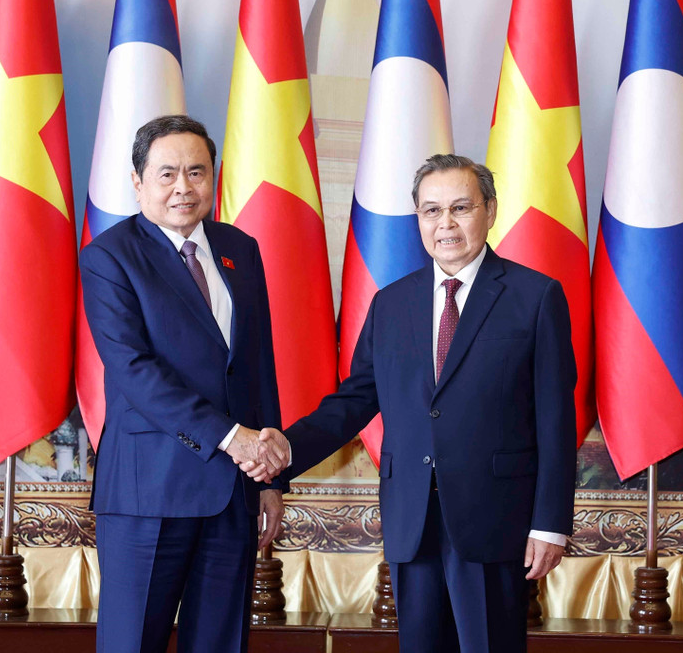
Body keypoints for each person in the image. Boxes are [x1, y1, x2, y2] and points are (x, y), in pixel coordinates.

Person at [246, 154, 576, 652]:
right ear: (418, 218)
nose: (446, 224)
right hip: (411, 521)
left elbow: (556, 421)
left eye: (461, 208)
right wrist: (286, 450)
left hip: (494, 522)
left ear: (489, 210)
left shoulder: (535, 297)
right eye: (431, 210)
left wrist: (549, 523)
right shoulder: (391, 303)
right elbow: (355, 400)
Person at [80, 114, 289, 653]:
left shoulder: (238, 249)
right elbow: (135, 372)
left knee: (221, 642)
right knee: (133, 643)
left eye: (196, 172)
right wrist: (231, 437)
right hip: (149, 490)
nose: (183, 187)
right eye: (167, 173)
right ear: (138, 181)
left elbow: (257, 367)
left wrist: (268, 479)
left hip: (233, 491)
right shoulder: (109, 257)